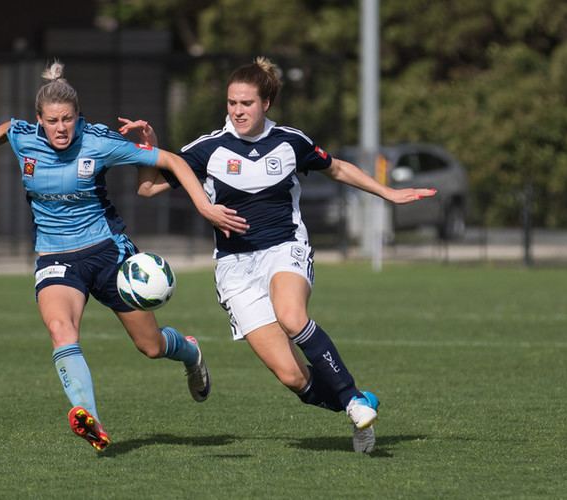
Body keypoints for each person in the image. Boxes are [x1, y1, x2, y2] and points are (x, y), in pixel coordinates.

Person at [123, 56, 436, 454]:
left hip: (284, 249)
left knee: (291, 317)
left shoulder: (291, 141)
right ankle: (355, 403)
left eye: (246, 104)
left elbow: (337, 168)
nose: (237, 111)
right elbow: (148, 190)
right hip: (235, 268)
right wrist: (149, 151)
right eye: (232, 103)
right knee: (294, 379)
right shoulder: (207, 149)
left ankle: (355, 401)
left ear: (265, 103)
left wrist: (388, 193)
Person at [0, 60, 248, 452]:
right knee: (60, 329)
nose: (61, 128)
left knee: (150, 346)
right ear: (39, 120)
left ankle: (190, 351)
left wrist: (203, 206)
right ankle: (89, 418)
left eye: (67, 119)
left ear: (78, 117)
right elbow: (4, 130)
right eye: (52, 121)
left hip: (107, 252)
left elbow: (172, 161)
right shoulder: (25, 137)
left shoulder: (99, 141)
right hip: (55, 257)